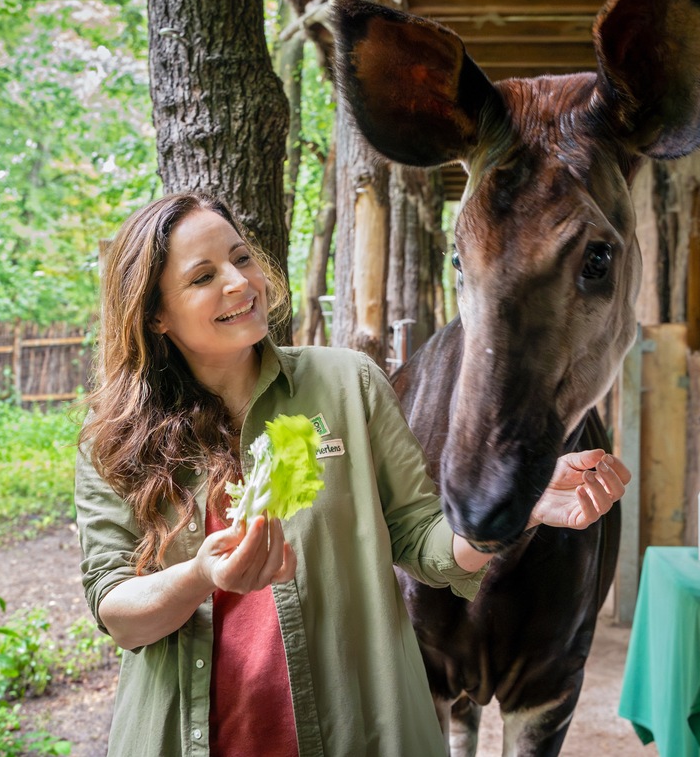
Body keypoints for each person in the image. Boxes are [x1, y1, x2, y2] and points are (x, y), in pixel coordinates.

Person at [74, 192, 631, 757]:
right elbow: (118, 612)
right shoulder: (115, 438)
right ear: (155, 314)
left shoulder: (348, 385)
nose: (240, 283)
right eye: (202, 277)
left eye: (241, 258)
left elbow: (425, 543)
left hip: (351, 733)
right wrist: (201, 575)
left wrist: (522, 504)